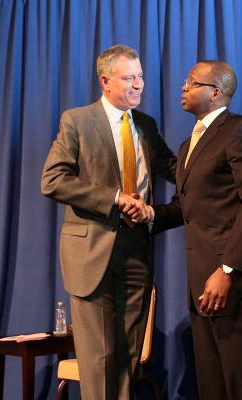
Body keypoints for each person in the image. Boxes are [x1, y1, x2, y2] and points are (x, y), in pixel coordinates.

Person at [40, 45, 176, 400]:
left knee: (129, 359)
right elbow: (52, 180)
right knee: (99, 360)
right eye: (129, 78)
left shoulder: (146, 125)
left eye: (141, 76)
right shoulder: (78, 121)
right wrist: (114, 198)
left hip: (137, 250)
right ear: (105, 81)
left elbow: (178, 170)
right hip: (92, 254)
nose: (139, 85)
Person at [146, 61, 242, 399]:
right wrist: (147, 215)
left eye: (192, 82)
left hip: (236, 284)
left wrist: (228, 270)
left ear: (215, 93)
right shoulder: (188, 146)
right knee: (213, 388)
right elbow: (185, 208)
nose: (183, 87)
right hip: (201, 286)